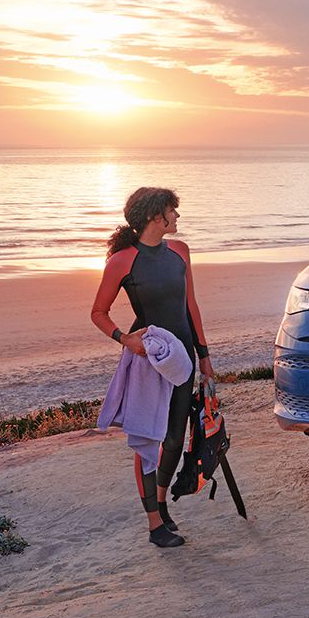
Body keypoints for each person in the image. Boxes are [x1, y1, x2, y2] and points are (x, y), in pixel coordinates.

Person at [90, 187, 213, 546]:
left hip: (183, 357)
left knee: (174, 437)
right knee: (148, 439)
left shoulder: (180, 252)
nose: (177, 217)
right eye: (172, 211)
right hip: (148, 359)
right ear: (153, 217)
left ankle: (160, 502)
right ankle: (154, 524)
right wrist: (124, 339)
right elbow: (98, 312)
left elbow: (191, 305)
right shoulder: (122, 261)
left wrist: (204, 355)